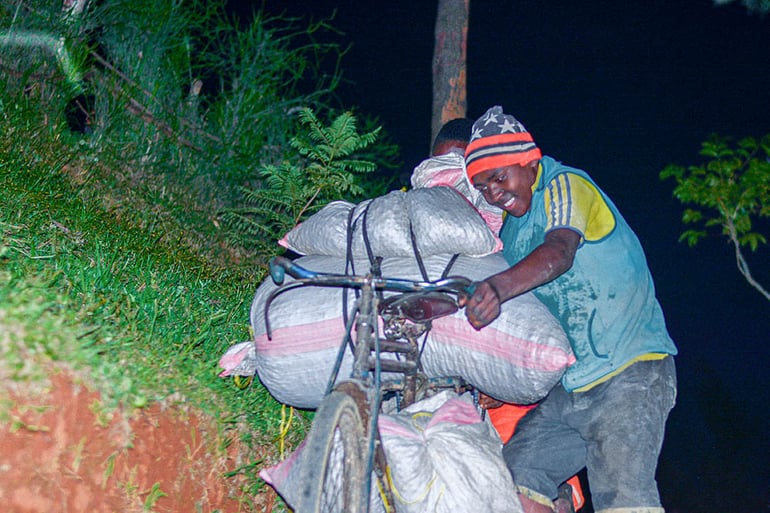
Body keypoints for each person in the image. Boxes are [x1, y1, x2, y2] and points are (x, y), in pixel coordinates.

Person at [460, 106, 678, 513]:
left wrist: (495, 287)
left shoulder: (565, 185)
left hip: (631, 370)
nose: (493, 193)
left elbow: (559, 253)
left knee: (624, 499)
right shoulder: (511, 230)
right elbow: (521, 308)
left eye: (498, 177)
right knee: (513, 482)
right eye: (483, 186)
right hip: (573, 387)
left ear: (529, 160)